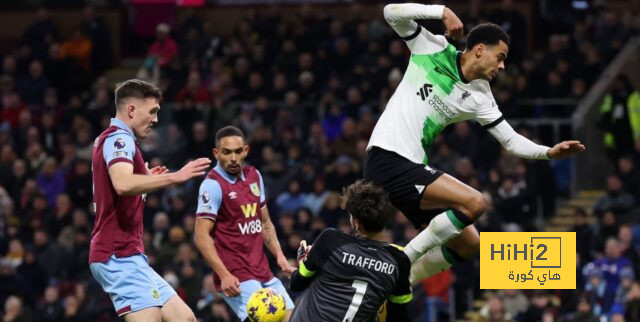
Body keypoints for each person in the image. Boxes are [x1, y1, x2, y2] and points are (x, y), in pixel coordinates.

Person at [364, 3, 585, 282]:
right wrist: (440, 11)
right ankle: (400, 261)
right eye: (500, 57)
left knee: (468, 243)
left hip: (409, 168)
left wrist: (549, 153)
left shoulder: (481, 95)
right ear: (480, 49)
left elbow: (511, 141)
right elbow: (390, 12)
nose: (502, 66)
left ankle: (401, 282)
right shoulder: (432, 48)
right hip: (387, 155)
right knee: (475, 202)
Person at [89, 79, 211, 321]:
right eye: (153, 111)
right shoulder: (118, 139)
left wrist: (144, 181)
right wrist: (176, 177)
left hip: (130, 255)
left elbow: (120, 188)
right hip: (117, 253)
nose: (156, 119)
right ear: (131, 110)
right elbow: (122, 184)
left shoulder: (118, 141)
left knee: (184, 318)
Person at [194, 126, 295, 322]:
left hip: (263, 270)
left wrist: (280, 257)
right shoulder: (212, 185)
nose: (233, 158)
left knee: (293, 318)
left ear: (246, 151)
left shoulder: (254, 176)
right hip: (237, 275)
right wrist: (224, 275)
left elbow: (265, 223)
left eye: (238, 151)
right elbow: (201, 235)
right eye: (227, 152)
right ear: (216, 153)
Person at [289, 180, 412, 322]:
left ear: (356, 222)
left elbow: (297, 284)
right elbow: (398, 314)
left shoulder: (330, 240)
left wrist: (304, 259)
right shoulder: (399, 260)